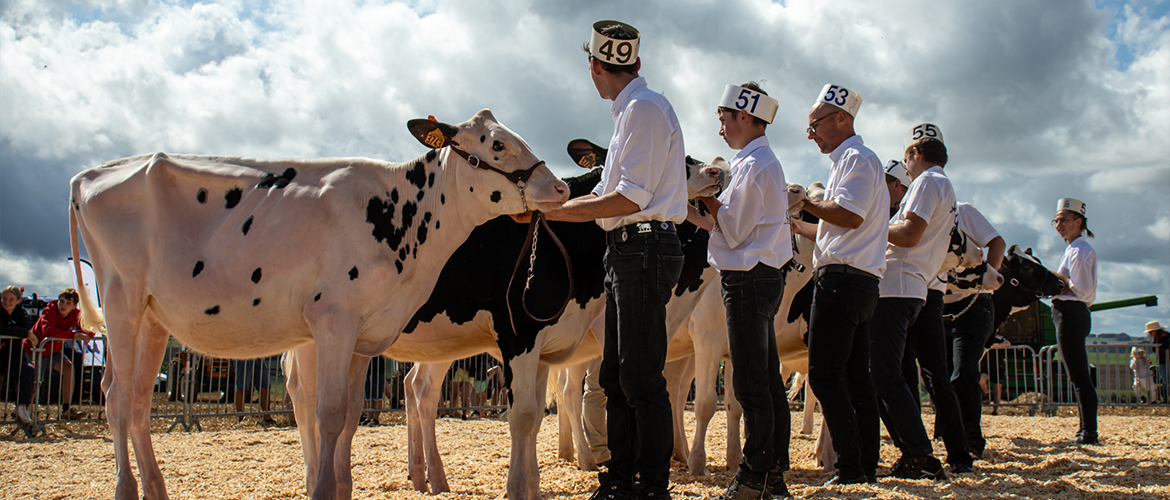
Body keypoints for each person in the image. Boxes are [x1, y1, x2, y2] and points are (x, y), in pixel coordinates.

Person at [525, 20, 688, 500]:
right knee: (617, 374)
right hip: (630, 250)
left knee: (638, 375)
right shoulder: (636, 109)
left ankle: (652, 484)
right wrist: (555, 204)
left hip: (642, 246)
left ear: (595, 67)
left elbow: (628, 198)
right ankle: (621, 477)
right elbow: (604, 190)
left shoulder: (641, 110)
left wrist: (552, 212)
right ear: (634, 63)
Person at [686, 82, 791, 499]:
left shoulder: (753, 166)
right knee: (765, 380)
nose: (722, 129)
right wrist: (697, 209)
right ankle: (772, 476)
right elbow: (730, 230)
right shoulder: (758, 163)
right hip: (758, 276)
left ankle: (754, 477)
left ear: (744, 116)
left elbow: (731, 227)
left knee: (749, 384)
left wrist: (707, 192)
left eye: (724, 119)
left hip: (748, 280)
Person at [789, 84, 889, 485]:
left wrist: (803, 200)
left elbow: (849, 215)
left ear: (841, 119)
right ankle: (863, 464)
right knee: (855, 377)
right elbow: (842, 225)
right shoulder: (856, 160)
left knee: (825, 374)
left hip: (841, 282)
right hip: (862, 281)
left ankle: (850, 464)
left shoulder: (856, 158)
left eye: (814, 125)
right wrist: (800, 224)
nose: (811, 134)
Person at [867, 130, 957, 479]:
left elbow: (908, 235)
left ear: (916, 153)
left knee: (884, 374)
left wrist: (871, 223)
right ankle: (912, 451)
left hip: (896, 282)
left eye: (906, 161)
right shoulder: (945, 187)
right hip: (915, 285)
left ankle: (919, 453)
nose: (906, 169)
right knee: (887, 374)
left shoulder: (925, 182)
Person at [938, 201, 1004, 458]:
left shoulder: (963, 211)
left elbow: (997, 242)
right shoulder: (916, 215)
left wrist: (988, 275)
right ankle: (946, 435)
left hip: (975, 303)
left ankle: (971, 441)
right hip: (939, 306)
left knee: (963, 372)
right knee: (940, 376)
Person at [1050, 197, 1098, 445]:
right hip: (1069, 313)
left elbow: (1080, 288)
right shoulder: (1075, 249)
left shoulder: (1079, 251)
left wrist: (1053, 278)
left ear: (1078, 222)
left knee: (1079, 377)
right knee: (1078, 376)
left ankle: (1089, 432)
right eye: (1056, 221)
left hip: (1071, 311)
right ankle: (1086, 430)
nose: (1059, 225)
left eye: (1064, 221)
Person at [25, 288, 94, 420]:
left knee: (69, 368)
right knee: (35, 381)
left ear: (74, 306)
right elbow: (49, 332)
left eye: (68, 303)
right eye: (61, 301)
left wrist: (87, 333)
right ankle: (25, 409)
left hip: (54, 351)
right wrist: (74, 335)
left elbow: (87, 331)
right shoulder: (49, 311)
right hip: (35, 349)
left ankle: (67, 409)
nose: (63, 305)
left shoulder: (76, 314)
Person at [1, 285, 37, 424]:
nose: (7, 302)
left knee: (28, 370)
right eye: (4, 298)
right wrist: (23, 333)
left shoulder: (21, 313)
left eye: (11, 299)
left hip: (10, 359)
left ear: (17, 301)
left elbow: (27, 327)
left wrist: (23, 332)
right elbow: (2, 329)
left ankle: (21, 407)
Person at [232, 356, 273, 424]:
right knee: (241, 387)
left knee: (265, 386)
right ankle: (240, 418)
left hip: (258, 356)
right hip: (243, 356)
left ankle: (267, 417)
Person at [360, 355, 387, 426]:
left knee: (377, 397)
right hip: (367, 371)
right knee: (368, 398)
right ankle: (369, 418)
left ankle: (375, 418)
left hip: (377, 371)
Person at [1147, 321, 1169, 403]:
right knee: (1165, 380)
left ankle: (1166, 398)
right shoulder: (1158, 338)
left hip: (1166, 361)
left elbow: (1165, 346)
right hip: (1163, 361)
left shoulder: (1166, 336)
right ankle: (1166, 399)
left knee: (1166, 379)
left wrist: (1160, 346)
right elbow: (1154, 349)